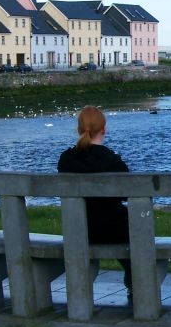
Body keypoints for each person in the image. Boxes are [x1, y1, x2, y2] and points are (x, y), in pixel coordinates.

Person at [57, 105, 132, 301]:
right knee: (135, 237)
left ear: (78, 129)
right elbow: (127, 194)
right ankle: (135, 285)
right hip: (114, 229)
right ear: (104, 130)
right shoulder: (111, 160)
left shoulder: (66, 160)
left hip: (79, 229)